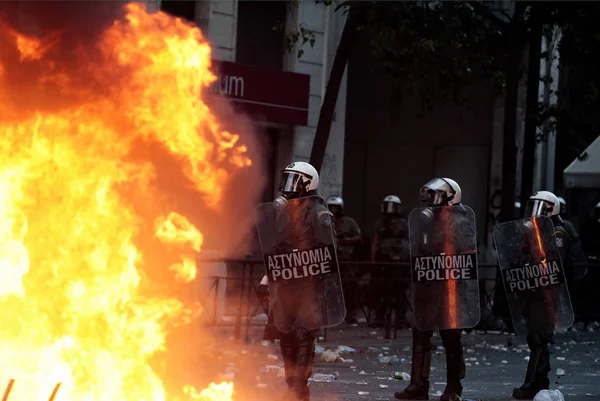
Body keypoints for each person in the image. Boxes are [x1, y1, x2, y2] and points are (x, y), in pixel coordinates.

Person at [257, 161, 342, 401]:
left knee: (303, 334)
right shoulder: (285, 211)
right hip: (285, 282)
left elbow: (329, 251)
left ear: (308, 183)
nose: (288, 187)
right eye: (287, 180)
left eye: (294, 181)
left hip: (308, 284)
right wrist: (268, 274)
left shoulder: (318, 212)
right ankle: (289, 386)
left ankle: (300, 389)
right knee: (285, 332)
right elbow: (275, 248)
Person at [395, 178, 472, 401]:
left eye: (437, 195)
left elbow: (467, 256)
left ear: (451, 197)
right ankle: (418, 385)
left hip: (450, 291)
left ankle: (453, 387)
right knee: (420, 334)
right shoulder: (429, 221)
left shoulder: (460, 222)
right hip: (428, 289)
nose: (431, 200)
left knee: (451, 339)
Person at [511, 191, 580, 399]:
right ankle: (540, 381)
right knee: (536, 337)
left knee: (539, 336)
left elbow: (553, 258)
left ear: (551, 209)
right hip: (535, 290)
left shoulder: (557, 232)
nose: (534, 212)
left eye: (539, 207)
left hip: (548, 294)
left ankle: (532, 383)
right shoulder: (538, 231)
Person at [370, 195, 409, 328]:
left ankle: (400, 319)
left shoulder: (404, 224)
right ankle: (380, 318)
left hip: (400, 262)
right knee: (382, 291)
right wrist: (373, 262)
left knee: (400, 292)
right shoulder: (380, 224)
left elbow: (410, 242)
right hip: (384, 261)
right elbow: (375, 243)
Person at [327, 196, 362, 324]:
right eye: (330, 207)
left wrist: (347, 240)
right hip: (330, 261)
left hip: (346, 261)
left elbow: (358, 237)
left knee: (350, 288)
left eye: (335, 207)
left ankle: (351, 315)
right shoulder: (325, 220)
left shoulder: (349, 222)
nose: (333, 210)